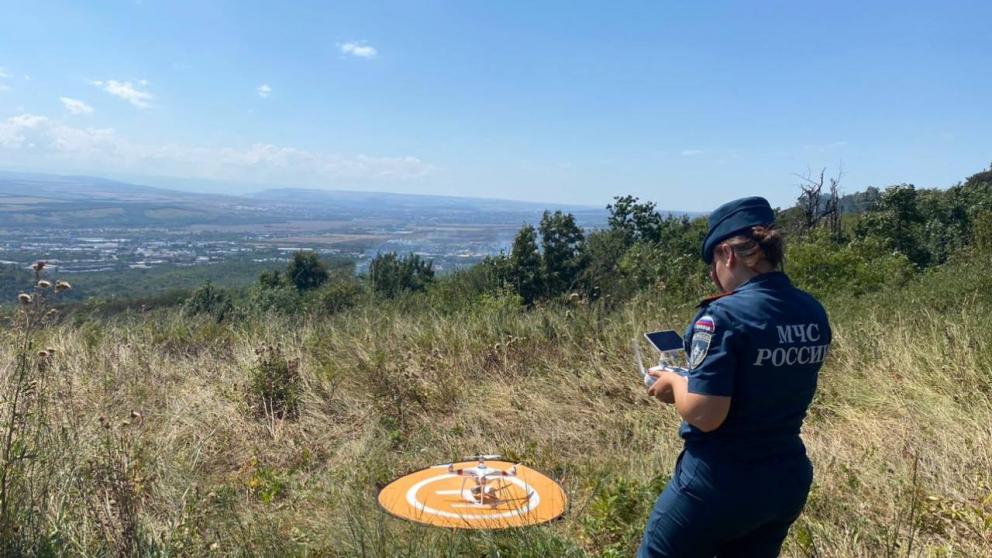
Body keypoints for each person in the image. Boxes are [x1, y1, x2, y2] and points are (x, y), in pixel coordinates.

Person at [638, 196, 831, 558]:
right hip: (786, 476)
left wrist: (675, 383)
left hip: (720, 479)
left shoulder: (720, 317)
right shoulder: (810, 309)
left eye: (713, 262)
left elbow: (706, 415)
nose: (714, 276)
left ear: (727, 254)